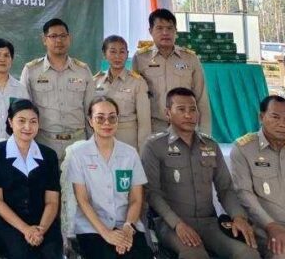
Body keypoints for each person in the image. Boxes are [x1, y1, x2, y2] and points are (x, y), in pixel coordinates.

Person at [142, 87, 259, 259]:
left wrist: (238, 216)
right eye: (181, 109)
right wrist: (177, 224)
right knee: (194, 255)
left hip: (208, 222)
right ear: (168, 113)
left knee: (248, 254)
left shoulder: (210, 145)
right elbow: (152, 193)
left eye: (193, 109)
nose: (188, 115)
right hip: (171, 224)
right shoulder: (155, 146)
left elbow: (225, 188)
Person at [66, 97, 152, 258]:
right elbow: (82, 200)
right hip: (92, 228)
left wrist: (128, 227)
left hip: (126, 225)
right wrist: (106, 233)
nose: (107, 123)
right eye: (100, 118)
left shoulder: (130, 153)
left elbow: (136, 199)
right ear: (90, 121)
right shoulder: (78, 154)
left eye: (112, 117)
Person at [0, 99, 63, 259]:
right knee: (22, 253)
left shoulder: (49, 155)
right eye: (21, 121)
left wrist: (40, 230)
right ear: (10, 122)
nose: (28, 127)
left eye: (33, 121)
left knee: (51, 253)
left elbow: (52, 201)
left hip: (43, 222)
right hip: (7, 222)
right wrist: (26, 229)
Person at [20, 18, 94, 159]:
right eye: (53, 36)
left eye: (63, 36)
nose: (59, 40)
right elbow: (24, 111)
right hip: (44, 144)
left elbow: (91, 111)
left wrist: (92, 144)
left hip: (78, 143)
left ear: (69, 38)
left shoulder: (83, 70)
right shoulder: (31, 71)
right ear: (44, 39)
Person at [132, 8, 211, 134]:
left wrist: (205, 134)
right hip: (154, 127)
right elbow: (136, 98)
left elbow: (201, 98)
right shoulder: (140, 58)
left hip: (185, 127)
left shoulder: (190, 58)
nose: (165, 32)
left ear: (175, 31)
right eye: (159, 28)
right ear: (150, 31)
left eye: (170, 28)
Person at [230, 95, 285, 259]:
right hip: (265, 229)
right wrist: (271, 226)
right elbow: (244, 194)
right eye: (275, 117)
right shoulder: (244, 149)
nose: (282, 123)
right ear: (261, 117)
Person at [93, 35, 152, 150]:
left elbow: (144, 123)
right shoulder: (96, 81)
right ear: (104, 54)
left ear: (127, 54)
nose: (117, 56)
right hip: (101, 140)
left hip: (127, 141)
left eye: (122, 52)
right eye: (113, 52)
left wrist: (142, 152)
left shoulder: (138, 82)